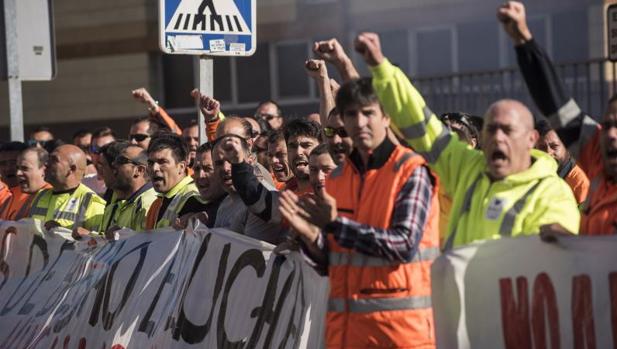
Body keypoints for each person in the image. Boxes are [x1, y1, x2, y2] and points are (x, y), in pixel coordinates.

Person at [354, 31, 579, 249]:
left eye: (507, 130)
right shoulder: (467, 168)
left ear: (532, 139)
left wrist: (561, 241)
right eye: (491, 129)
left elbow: (564, 258)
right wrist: (381, 69)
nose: (497, 137)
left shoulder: (552, 193)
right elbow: (421, 122)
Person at [279, 77, 440, 349]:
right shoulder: (338, 179)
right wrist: (311, 238)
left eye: (368, 113)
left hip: (399, 335)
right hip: (347, 333)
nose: (360, 122)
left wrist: (335, 225)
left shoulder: (410, 171)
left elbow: (403, 245)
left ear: (386, 118)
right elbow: (335, 261)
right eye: (351, 114)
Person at [498, 1, 616, 234]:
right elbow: (558, 107)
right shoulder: (597, 160)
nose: (610, 134)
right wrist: (523, 41)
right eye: (608, 124)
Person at [29, 145, 106, 231]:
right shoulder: (40, 195)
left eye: (54, 160)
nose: (46, 164)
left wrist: (63, 232)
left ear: (71, 169)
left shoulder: (92, 203)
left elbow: (100, 241)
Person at [98, 144, 157, 234]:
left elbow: (144, 244)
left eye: (121, 160)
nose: (113, 164)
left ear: (139, 170)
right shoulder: (115, 205)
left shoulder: (148, 203)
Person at [144, 134, 199, 229]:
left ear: (181, 167)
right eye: (150, 163)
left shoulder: (194, 197)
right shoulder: (157, 203)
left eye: (162, 162)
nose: (154, 168)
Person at [534, 119, 589, 205]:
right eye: (542, 148)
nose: (548, 153)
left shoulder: (580, 184)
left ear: (566, 146)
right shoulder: (533, 175)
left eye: (554, 146)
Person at [1, 147, 51, 220]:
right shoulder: (12, 194)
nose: (18, 173)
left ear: (44, 170)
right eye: (17, 168)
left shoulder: (51, 196)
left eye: (25, 168)